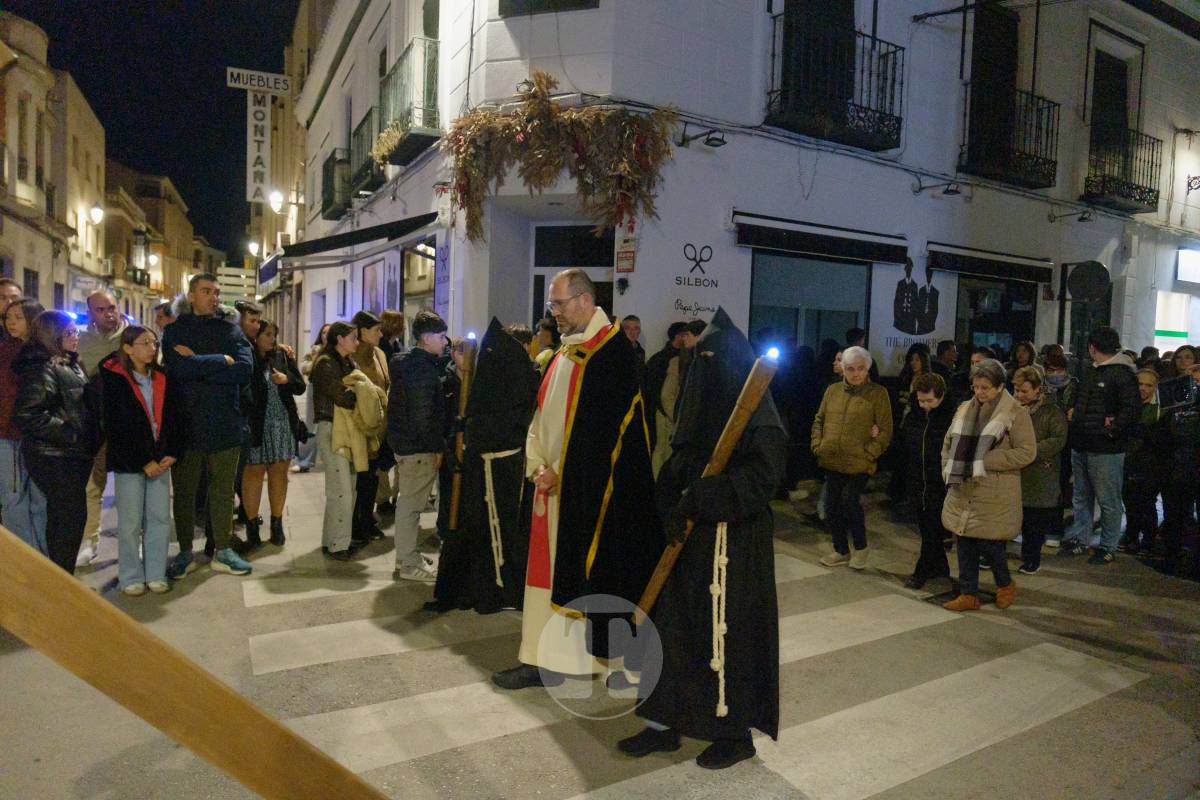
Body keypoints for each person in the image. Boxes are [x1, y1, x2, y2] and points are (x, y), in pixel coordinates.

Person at [621, 308, 787, 770]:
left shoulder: (764, 420)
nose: (708, 365)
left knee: (727, 638)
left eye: (717, 358)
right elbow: (679, 460)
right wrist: (672, 505)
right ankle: (663, 723)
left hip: (735, 547)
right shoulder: (696, 403)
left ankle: (733, 733)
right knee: (673, 631)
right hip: (690, 542)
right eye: (703, 357)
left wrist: (709, 495)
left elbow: (763, 477)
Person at [492, 268, 660, 691]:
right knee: (542, 578)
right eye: (552, 304)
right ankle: (538, 656)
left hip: (582, 494)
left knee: (577, 574)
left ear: (585, 300)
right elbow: (541, 416)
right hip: (549, 487)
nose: (554, 314)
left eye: (559, 304)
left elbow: (600, 439)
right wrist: (537, 467)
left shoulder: (610, 355)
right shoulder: (566, 352)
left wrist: (559, 474)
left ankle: (585, 661)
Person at [432, 317, 539, 613]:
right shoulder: (512, 374)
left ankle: (497, 587)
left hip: (500, 466)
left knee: (497, 531)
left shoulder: (510, 377)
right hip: (489, 467)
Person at [162, 274, 255, 579]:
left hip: (226, 423)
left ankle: (223, 550)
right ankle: (186, 551)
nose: (213, 297)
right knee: (186, 493)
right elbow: (176, 370)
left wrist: (199, 363)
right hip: (186, 425)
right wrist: (222, 361)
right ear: (191, 295)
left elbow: (243, 372)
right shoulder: (175, 331)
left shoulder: (231, 329)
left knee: (223, 492)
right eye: (206, 291)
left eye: (216, 292)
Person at [940, 359, 1036, 611]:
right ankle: (968, 593)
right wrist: (947, 468)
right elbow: (948, 444)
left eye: (985, 388)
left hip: (994, 489)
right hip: (963, 485)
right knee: (964, 540)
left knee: (990, 544)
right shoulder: (963, 409)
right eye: (976, 387)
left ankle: (1004, 583)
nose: (979, 392)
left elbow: (1027, 452)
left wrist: (986, 459)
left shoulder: (1016, 413)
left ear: (1000, 386)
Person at [14, 311, 100, 573]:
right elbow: (29, 414)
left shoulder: (68, 362)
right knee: (68, 519)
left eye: (76, 332)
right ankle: (62, 580)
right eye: (70, 333)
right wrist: (73, 434)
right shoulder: (43, 366)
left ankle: (62, 576)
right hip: (55, 456)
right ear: (54, 336)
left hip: (71, 455)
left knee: (69, 518)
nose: (76, 338)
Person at [100, 326, 184, 595]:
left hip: (161, 460)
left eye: (154, 342)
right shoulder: (114, 379)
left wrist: (171, 452)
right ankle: (130, 576)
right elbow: (117, 427)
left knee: (159, 518)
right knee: (130, 522)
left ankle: (156, 573)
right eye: (144, 343)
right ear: (127, 348)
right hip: (130, 462)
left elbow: (174, 418)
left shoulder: (162, 376)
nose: (152, 347)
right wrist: (142, 460)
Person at [1060, 327, 1139, 564]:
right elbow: (1079, 397)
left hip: (1106, 448)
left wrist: (1112, 430)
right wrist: (1073, 410)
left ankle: (1107, 545)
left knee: (1108, 499)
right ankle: (1080, 539)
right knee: (1081, 496)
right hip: (1082, 443)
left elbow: (1131, 410)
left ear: (1093, 347)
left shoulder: (1122, 374)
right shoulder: (1092, 371)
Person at [811, 346, 892, 570]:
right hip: (831, 458)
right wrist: (818, 445)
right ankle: (840, 550)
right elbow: (819, 419)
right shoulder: (833, 391)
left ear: (867, 369)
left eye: (860, 369)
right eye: (850, 369)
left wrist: (870, 453)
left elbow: (885, 431)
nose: (855, 374)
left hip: (860, 462)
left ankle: (861, 547)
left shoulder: (878, 393)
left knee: (850, 502)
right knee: (831, 506)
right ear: (842, 369)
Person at [387, 310, 450, 580]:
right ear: (426, 338)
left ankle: (406, 556)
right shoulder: (423, 371)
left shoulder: (408, 363)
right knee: (411, 507)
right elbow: (424, 416)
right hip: (417, 449)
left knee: (407, 504)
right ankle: (409, 563)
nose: (445, 341)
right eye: (441, 336)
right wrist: (436, 448)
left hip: (405, 444)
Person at [242, 319, 305, 549]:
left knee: (279, 473)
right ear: (256, 336)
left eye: (274, 334)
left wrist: (286, 379)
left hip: (281, 422)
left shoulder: (283, 355)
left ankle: (276, 525)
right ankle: (251, 527)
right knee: (254, 473)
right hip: (256, 424)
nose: (272, 339)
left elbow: (300, 385)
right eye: (267, 334)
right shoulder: (247, 355)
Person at [77, 290, 128, 567]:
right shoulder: (81, 341)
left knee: (131, 484)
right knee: (92, 484)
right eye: (100, 309)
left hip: (129, 423)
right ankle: (90, 541)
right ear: (90, 313)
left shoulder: (133, 336)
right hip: (96, 421)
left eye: (111, 307)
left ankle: (135, 542)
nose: (108, 313)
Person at [899, 373, 955, 589]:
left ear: (941, 397)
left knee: (932, 529)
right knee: (926, 528)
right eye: (921, 400)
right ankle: (940, 568)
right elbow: (905, 444)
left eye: (929, 401)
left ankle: (921, 571)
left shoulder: (951, 417)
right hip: (916, 480)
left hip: (938, 482)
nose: (924, 406)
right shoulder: (914, 415)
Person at [0, 298, 47, 553]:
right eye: (8, 317)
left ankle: (44, 562)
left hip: (37, 436)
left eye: (18, 317)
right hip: (8, 434)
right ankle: (28, 560)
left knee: (39, 501)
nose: (12, 323)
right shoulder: (5, 350)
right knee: (13, 497)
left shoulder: (42, 351)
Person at [312, 322, 361, 560]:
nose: (357, 342)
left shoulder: (347, 362)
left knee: (345, 486)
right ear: (340, 339)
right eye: (353, 337)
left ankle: (332, 539)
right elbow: (344, 396)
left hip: (346, 430)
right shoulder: (325, 364)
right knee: (341, 490)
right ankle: (339, 544)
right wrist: (362, 393)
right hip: (332, 428)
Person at [1012, 366, 1067, 575]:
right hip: (1017, 472)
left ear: (1037, 390)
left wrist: (1029, 451)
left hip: (1039, 475)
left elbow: (1058, 439)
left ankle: (1032, 558)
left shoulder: (1051, 411)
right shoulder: (1013, 409)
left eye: (1024, 391)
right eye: (1017, 390)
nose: (1019, 395)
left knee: (1034, 522)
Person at [350, 310, 391, 545]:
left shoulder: (380, 354)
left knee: (373, 477)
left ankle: (366, 519)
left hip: (380, 427)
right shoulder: (352, 355)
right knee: (360, 478)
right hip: (360, 426)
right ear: (362, 332)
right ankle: (357, 524)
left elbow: (386, 385)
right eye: (376, 330)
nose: (380, 333)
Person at [1119, 368, 1165, 556]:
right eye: (1140, 384)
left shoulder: (1160, 410)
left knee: (1146, 502)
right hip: (1129, 460)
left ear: (1155, 388)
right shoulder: (1126, 405)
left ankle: (1148, 538)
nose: (1143, 389)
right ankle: (1131, 535)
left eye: (1148, 385)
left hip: (1150, 463)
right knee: (1130, 501)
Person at [644, 321, 688, 453]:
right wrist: (671, 414)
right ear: (678, 336)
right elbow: (654, 390)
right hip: (664, 414)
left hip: (668, 413)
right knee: (663, 451)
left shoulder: (679, 357)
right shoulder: (662, 359)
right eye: (684, 335)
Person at [292, 324, 330, 473]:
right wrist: (316, 363)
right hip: (316, 389)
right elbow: (304, 366)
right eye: (324, 332)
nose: (326, 335)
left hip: (334, 390)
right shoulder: (315, 350)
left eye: (329, 332)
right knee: (311, 425)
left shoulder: (341, 350)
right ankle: (303, 460)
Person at [892, 260, 920, 335]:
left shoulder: (915, 285)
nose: (909, 270)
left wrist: (915, 317)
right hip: (901, 320)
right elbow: (897, 301)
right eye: (907, 267)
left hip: (911, 321)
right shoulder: (900, 284)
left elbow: (916, 303)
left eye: (910, 267)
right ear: (905, 269)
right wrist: (897, 317)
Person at [915, 262, 940, 335]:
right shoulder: (921, 290)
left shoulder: (935, 292)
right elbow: (918, 307)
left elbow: (936, 309)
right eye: (927, 273)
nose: (929, 275)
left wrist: (931, 321)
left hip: (930, 325)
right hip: (921, 325)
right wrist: (920, 320)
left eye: (930, 273)